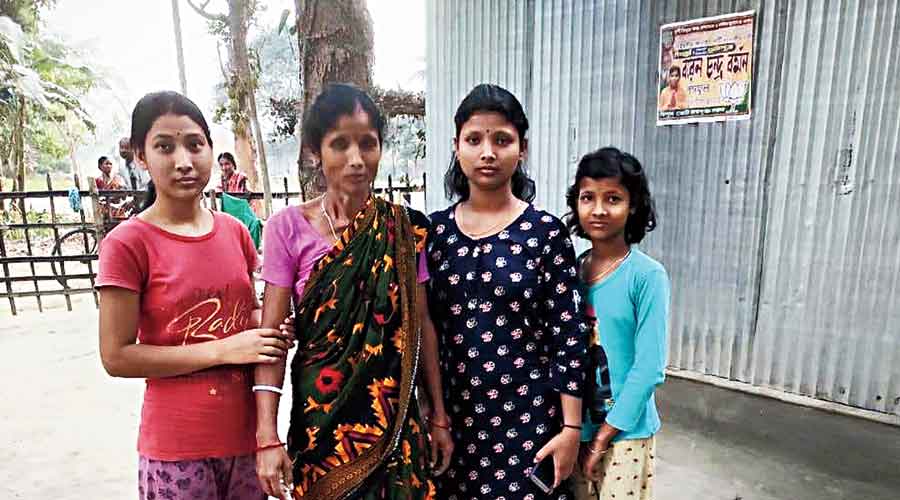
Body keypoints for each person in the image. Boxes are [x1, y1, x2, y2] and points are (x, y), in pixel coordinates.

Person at [254, 83, 452, 500]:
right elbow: (270, 342)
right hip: (321, 420)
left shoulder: (404, 230)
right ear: (314, 151)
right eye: (339, 144)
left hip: (394, 423)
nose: (356, 160)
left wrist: (438, 416)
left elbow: (423, 327)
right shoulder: (286, 228)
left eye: (368, 144)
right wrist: (267, 437)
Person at [97, 91, 291, 500]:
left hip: (246, 441)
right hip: (176, 449)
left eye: (194, 144)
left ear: (209, 148)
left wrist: (272, 327)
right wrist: (223, 351)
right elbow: (116, 356)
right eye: (164, 147)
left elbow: (245, 317)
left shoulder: (234, 231)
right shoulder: (128, 243)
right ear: (140, 157)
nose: (183, 161)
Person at [426, 83, 587, 499]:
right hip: (455, 425)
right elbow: (425, 331)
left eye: (502, 140)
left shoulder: (545, 234)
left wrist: (571, 429)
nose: (488, 153)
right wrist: (433, 416)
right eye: (474, 139)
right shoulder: (434, 234)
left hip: (530, 423)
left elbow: (568, 338)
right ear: (456, 146)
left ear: (523, 148)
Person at [564, 148, 670, 500]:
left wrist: (604, 437)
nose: (598, 210)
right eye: (587, 197)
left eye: (613, 198)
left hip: (627, 433)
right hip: (577, 429)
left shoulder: (647, 276)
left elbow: (649, 367)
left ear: (633, 206)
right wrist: (578, 432)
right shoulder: (572, 273)